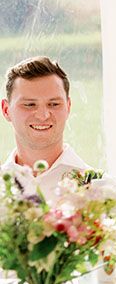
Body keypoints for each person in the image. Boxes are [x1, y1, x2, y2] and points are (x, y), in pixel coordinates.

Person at [1, 56, 89, 198]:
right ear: (6, 110)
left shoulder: (103, 190)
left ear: (68, 107)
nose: (43, 116)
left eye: (54, 104)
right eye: (29, 104)